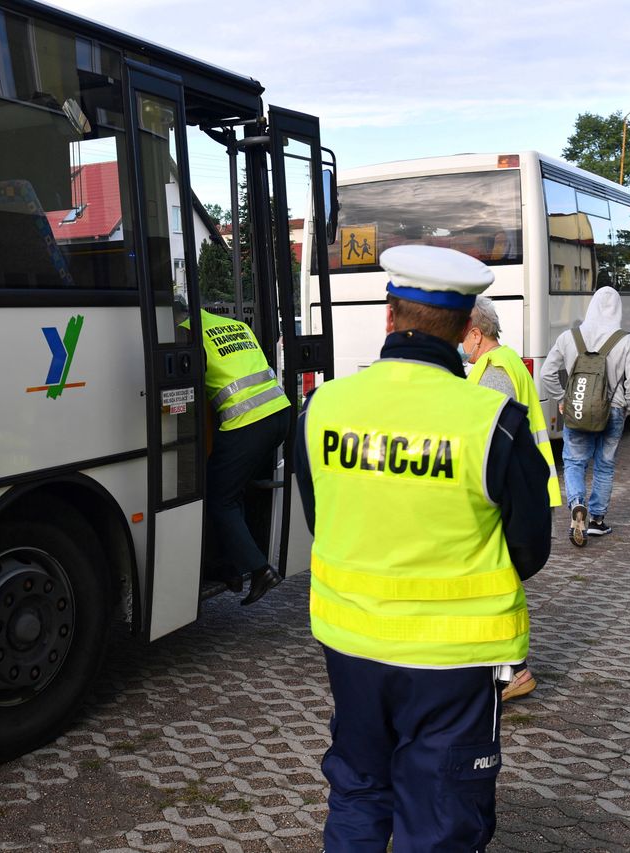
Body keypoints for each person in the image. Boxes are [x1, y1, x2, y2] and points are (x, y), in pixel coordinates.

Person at [296, 245, 552, 851]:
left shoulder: (321, 406)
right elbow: (531, 549)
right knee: (439, 815)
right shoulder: (496, 421)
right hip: (453, 663)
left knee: (358, 791)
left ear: (389, 316)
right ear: (467, 329)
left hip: (351, 645)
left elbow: (320, 514)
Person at [461, 294, 561, 703]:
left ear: (475, 333)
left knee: (493, 587)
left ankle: (513, 671)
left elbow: (490, 443)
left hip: (507, 496)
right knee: (496, 586)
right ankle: (504, 668)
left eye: (460, 334)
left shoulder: (495, 372)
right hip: (523, 489)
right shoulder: (508, 360)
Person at [179, 303, 289, 605]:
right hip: (279, 413)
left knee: (218, 498)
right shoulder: (233, 325)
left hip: (247, 421)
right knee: (233, 491)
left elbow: (185, 388)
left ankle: (259, 570)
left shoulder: (185, 334)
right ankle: (229, 566)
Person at [541, 286, 630, 547]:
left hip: (577, 408)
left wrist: (562, 399)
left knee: (574, 462)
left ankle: (577, 505)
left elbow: (546, 374)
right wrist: (627, 406)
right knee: (604, 465)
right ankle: (597, 521)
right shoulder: (627, 340)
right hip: (613, 410)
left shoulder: (569, 337)